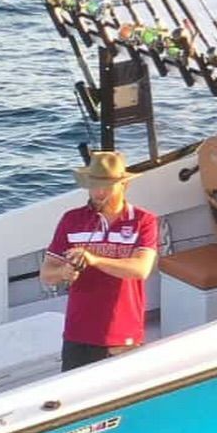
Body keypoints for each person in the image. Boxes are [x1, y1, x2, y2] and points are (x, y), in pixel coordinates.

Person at [41, 150, 159, 371]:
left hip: (122, 336)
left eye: (106, 186)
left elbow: (140, 269)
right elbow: (47, 274)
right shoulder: (71, 219)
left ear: (124, 185)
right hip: (78, 333)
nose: (98, 192)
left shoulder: (144, 221)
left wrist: (94, 260)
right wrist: (63, 273)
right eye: (93, 185)